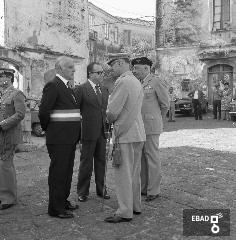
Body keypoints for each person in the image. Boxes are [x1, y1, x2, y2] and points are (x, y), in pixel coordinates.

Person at [104, 53, 146, 223]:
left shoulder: (122, 81)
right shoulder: (136, 81)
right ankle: (135, 206)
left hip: (125, 134)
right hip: (137, 132)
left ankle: (124, 211)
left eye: (113, 65)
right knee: (135, 174)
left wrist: (107, 117)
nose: (112, 69)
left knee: (123, 175)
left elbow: (112, 111)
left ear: (120, 63)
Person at [39, 56, 81, 219]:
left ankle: (62, 201)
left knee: (67, 172)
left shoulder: (67, 86)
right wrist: (49, 130)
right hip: (59, 138)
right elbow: (44, 112)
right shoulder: (53, 85)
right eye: (70, 67)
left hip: (69, 138)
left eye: (73, 67)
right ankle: (55, 208)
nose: (74, 70)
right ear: (59, 69)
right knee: (58, 173)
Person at [131, 57, 169, 202]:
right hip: (139, 126)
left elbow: (165, 104)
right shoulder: (138, 82)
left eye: (137, 68)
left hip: (151, 126)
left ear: (146, 68)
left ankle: (154, 190)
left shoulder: (156, 81)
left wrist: (157, 119)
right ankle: (144, 187)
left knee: (152, 157)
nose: (134, 71)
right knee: (141, 158)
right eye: (134, 68)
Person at [74, 62, 110, 202]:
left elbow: (104, 111)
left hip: (102, 132)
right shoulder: (81, 89)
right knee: (86, 163)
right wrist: (77, 134)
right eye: (99, 72)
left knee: (102, 162)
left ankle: (102, 189)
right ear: (90, 74)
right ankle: (82, 192)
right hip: (88, 132)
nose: (102, 75)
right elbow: (76, 112)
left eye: (102, 72)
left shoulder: (104, 89)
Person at [0, 68, 26, 210]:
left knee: (6, 164)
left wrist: (2, 125)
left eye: (2, 77)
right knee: (2, 165)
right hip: (1, 134)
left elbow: (20, 114)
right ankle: (3, 194)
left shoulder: (17, 94)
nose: (0, 80)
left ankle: (8, 198)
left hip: (9, 134)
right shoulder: (1, 94)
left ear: (9, 78)